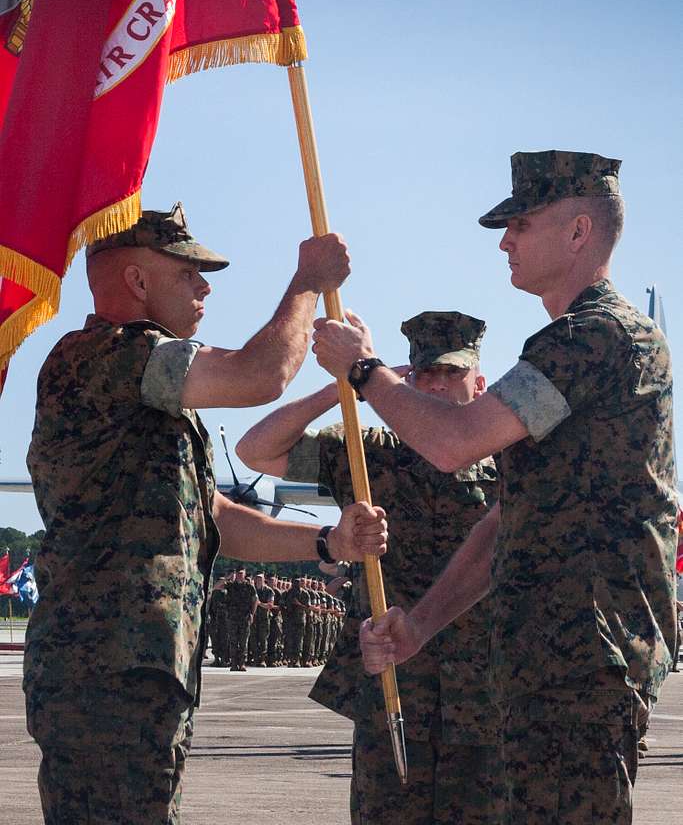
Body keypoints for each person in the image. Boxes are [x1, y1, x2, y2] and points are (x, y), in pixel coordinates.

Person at [311, 152, 679, 825]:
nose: (505, 241)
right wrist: (420, 624)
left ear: (576, 233)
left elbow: (454, 442)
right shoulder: (565, 344)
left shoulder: (600, 337)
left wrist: (361, 369)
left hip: (581, 664)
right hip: (546, 662)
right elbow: (508, 519)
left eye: (521, 223)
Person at [24, 202, 388, 825]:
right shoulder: (105, 356)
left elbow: (213, 513)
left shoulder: (149, 387)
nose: (205, 285)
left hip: (134, 667)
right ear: (137, 281)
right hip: (105, 666)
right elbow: (260, 375)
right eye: (188, 271)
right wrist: (306, 283)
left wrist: (328, 543)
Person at [238, 310, 504, 824]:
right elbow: (257, 449)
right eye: (425, 374)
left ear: (481, 383)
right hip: (393, 691)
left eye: (452, 374)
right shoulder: (366, 454)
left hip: (486, 700)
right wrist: (345, 387)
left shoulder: (511, 460)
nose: (437, 385)